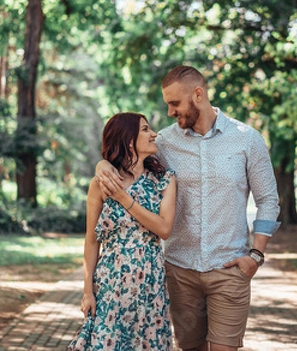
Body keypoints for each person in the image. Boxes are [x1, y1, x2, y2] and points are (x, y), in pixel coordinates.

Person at [96, 65, 281, 351]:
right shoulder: (165, 142)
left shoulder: (247, 139)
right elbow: (126, 151)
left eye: (174, 103)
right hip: (180, 272)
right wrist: (103, 164)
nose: (170, 112)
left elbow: (268, 199)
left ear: (198, 94)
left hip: (229, 270)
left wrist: (255, 255)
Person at [67, 112, 177, 351]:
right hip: (110, 283)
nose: (154, 134)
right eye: (146, 129)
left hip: (150, 282)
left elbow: (164, 229)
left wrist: (124, 198)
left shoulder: (164, 180)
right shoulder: (101, 183)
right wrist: (88, 292)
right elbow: (92, 239)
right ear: (129, 140)